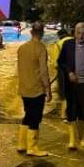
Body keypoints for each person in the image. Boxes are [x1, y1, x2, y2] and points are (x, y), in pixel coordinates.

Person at [16, 21, 52, 157]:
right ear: (42, 33)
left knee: (28, 115)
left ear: (31, 32)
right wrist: (48, 89)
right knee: (35, 118)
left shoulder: (22, 48)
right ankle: (32, 147)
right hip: (37, 90)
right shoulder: (41, 48)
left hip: (24, 89)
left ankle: (21, 144)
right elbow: (43, 71)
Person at [51, 27, 73, 121]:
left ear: (60, 35)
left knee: (64, 93)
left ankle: (64, 115)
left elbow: (56, 62)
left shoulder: (58, 44)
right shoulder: (76, 41)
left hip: (63, 71)